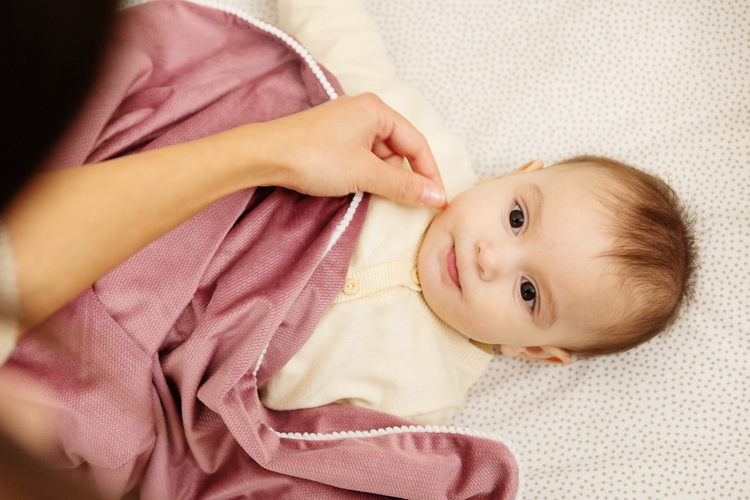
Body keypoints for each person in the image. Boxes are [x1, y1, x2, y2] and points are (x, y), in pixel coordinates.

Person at [260, 154, 697, 424]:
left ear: (531, 349)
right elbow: (356, 75)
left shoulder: (425, 399)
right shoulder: (425, 161)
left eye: (528, 292)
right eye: (516, 219)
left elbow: (300, 449)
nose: (490, 258)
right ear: (508, 176)